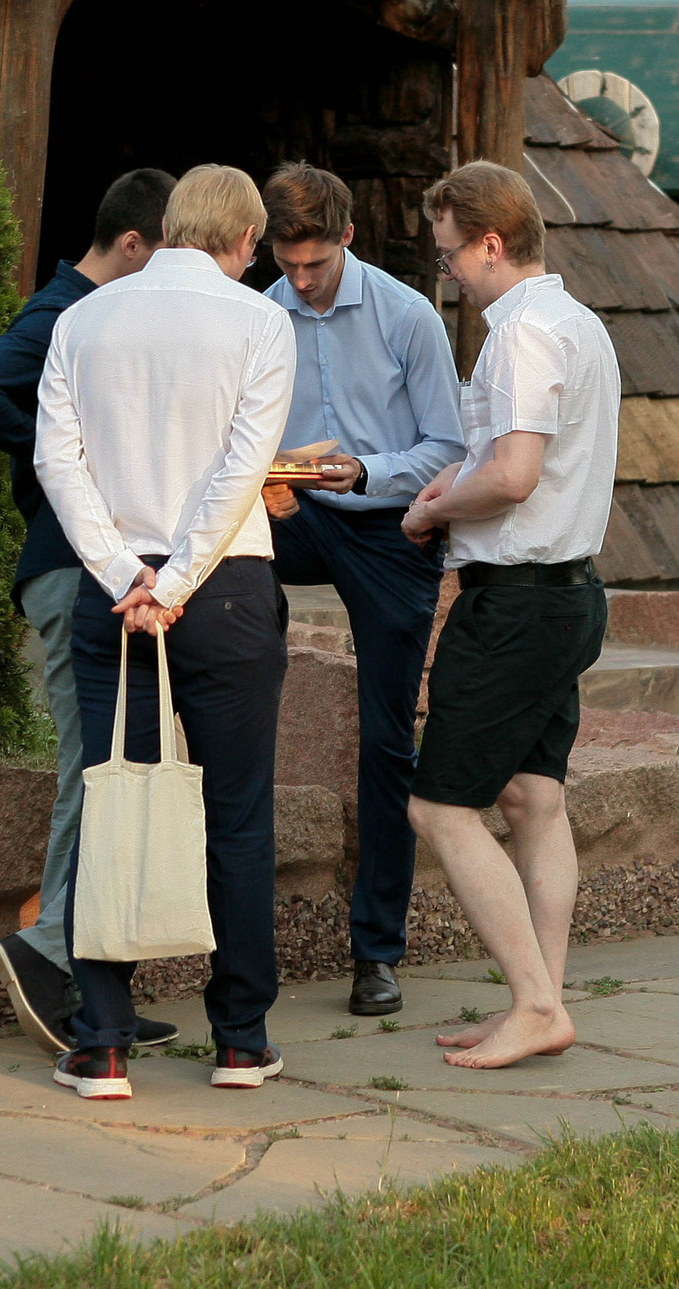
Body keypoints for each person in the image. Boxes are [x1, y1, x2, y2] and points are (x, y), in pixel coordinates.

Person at [34, 164, 295, 1101]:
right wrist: (179, 578)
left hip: (116, 596)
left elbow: (54, 461)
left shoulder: (82, 318)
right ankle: (239, 1040)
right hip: (224, 589)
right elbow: (244, 465)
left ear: (172, 227)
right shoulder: (259, 320)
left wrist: (123, 574)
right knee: (237, 816)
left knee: (115, 803)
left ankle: (101, 1041)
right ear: (243, 243)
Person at [0, 168, 181, 1056]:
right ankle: (47, 952)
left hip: (85, 568)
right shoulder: (63, 312)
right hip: (64, 568)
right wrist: (56, 455)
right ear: (130, 245)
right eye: (163, 257)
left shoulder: (94, 317)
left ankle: (91, 982)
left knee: (115, 761)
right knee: (96, 767)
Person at [398, 161, 620, 1071]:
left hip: (519, 600)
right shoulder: (579, 323)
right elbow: (529, 464)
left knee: (439, 808)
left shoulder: (524, 334)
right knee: (534, 798)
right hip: (568, 592)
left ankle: (534, 1002)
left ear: (492, 243)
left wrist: (431, 510)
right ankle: (544, 1001)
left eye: (451, 254)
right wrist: (467, 477)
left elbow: (517, 475)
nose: (447, 271)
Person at [259, 163, 465, 1017]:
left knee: (387, 741)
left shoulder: (408, 314)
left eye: (316, 263)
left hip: (387, 519)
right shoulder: (260, 315)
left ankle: (375, 950)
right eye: (287, 262)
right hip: (295, 512)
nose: (301, 280)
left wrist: (367, 471)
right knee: (222, 574)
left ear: (347, 238)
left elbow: (449, 447)